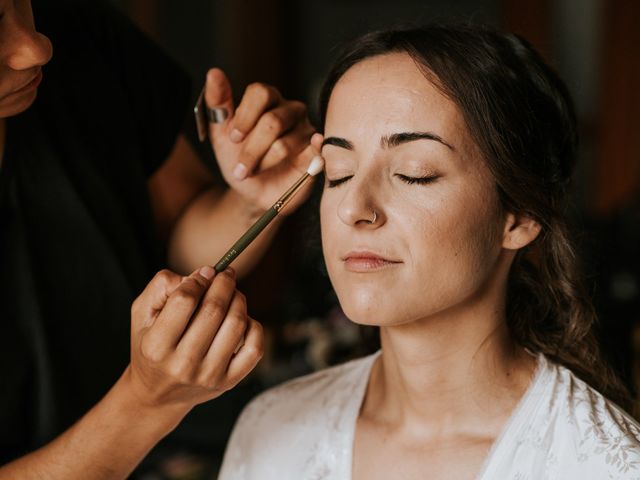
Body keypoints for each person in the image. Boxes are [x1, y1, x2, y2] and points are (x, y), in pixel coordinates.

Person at [218, 24, 640, 479]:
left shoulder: (600, 464)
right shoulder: (270, 431)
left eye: (414, 174)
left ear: (517, 216)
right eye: (338, 173)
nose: (354, 209)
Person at [0, 0, 317, 477]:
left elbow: (181, 237)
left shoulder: (80, 38)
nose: (35, 48)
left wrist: (248, 204)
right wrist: (146, 405)